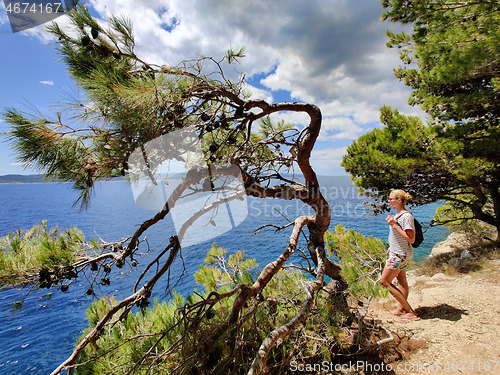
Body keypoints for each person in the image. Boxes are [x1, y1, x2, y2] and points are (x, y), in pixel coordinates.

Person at [380, 189, 420, 322]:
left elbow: (411, 238)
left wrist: (394, 225)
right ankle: (401, 309)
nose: (389, 201)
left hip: (399, 254)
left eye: (391, 199)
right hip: (399, 253)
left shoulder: (406, 216)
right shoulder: (399, 215)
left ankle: (410, 312)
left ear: (399, 201)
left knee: (384, 282)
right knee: (401, 280)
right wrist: (394, 223)